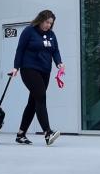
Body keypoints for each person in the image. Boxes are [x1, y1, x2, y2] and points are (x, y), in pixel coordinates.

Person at [10, 9, 64, 145]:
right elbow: (20, 49)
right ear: (40, 20)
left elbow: (55, 50)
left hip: (45, 71)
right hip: (29, 69)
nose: (48, 26)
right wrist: (16, 67)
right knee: (41, 97)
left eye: (51, 23)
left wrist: (59, 62)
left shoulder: (51, 35)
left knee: (33, 102)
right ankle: (47, 133)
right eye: (47, 22)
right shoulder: (29, 31)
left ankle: (21, 134)